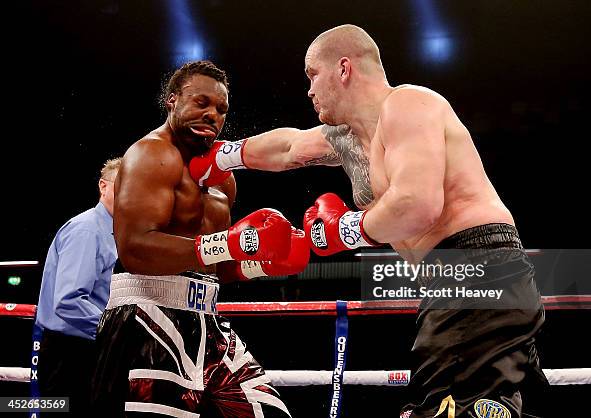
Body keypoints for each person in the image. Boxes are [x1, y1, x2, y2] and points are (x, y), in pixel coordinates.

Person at [189, 25, 547, 417]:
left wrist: (347, 229)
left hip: (472, 269)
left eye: (312, 75)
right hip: (464, 280)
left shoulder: (409, 104)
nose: (308, 89)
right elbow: (289, 147)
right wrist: (221, 157)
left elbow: (417, 204)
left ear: (344, 68)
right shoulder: (350, 138)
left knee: (444, 408)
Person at [91, 60, 308, 417]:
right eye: (201, 103)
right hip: (147, 318)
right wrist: (228, 245)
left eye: (221, 109)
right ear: (172, 100)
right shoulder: (151, 155)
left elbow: (213, 265)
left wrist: (259, 265)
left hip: (206, 320)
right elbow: (134, 249)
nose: (212, 115)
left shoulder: (223, 177)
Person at [35, 157, 122, 415]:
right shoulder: (87, 230)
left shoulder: (117, 232)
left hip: (89, 347)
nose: (129, 192)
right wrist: (117, 330)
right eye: (122, 185)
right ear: (103, 186)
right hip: (70, 353)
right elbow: (69, 300)